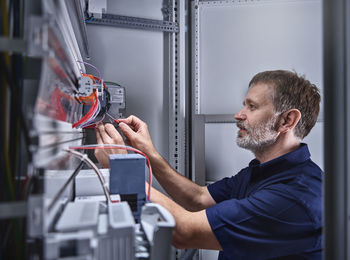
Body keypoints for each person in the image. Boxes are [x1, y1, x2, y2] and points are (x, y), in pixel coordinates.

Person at [95, 70, 322, 259]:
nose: (238, 114)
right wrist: (148, 152)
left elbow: (184, 232)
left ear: (287, 120)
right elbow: (198, 198)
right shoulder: (262, 171)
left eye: (252, 107)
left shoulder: (296, 196)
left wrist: (121, 169)